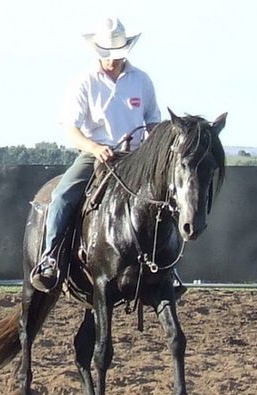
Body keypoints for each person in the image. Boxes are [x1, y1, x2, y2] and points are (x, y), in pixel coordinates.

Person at [30, 17, 161, 292]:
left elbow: (153, 122)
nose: (112, 61)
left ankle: (167, 269)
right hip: (97, 155)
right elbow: (71, 128)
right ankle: (50, 257)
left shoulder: (142, 80)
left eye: (117, 55)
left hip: (136, 158)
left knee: (164, 200)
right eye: (108, 55)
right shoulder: (84, 82)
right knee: (64, 193)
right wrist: (94, 148)